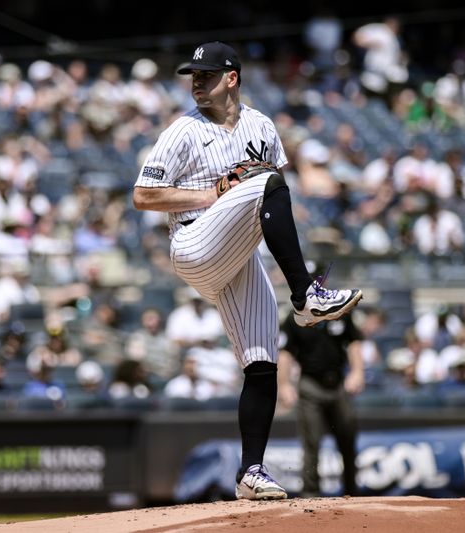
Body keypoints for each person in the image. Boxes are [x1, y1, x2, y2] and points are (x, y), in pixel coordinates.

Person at [133, 41, 362, 501]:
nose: (196, 82)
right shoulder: (183, 131)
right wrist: (208, 195)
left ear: (231, 78)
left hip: (238, 253)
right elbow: (143, 195)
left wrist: (240, 197)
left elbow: (272, 198)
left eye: (206, 75)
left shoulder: (261, 125)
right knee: (266, 181)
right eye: (192, 76)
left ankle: (251, 473)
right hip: (195, 242)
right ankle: (306, 296)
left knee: (261, 365)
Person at [277, 307, 364, 497]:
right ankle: (310, 493)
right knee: (311, 441)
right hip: (310, 385)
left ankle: (352, 490)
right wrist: (283, 384)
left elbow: (354, 342)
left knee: (348, 436)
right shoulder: (295, 317)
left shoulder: (339, 309)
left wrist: (357, 372)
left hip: (339, 383)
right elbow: (286, 352)